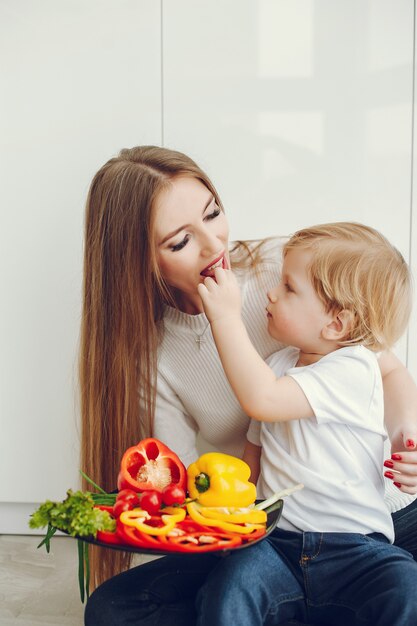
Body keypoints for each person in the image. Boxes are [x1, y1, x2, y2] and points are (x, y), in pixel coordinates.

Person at [82, 146, 417, 626]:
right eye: (180, 242)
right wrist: (241, 533)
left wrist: (408, 433)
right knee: (116, 610)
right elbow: (203, 477)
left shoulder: (291, 268)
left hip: (376, 525)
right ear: (140, 261)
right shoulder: (159, 354)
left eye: (213, 213)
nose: (214, 246)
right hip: (273, 538)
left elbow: (383, 366)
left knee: (401, 587)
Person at [195, 222, 417, 625]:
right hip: (274, 544)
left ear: (337, 323)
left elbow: (261, 399)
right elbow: (255, 450)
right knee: (229, 589)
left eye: (289, 287)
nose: (271, 292)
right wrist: (242, 510)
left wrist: (225, 318)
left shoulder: (354, 367)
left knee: (406, 587)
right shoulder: (275, 366)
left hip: (355, 549)